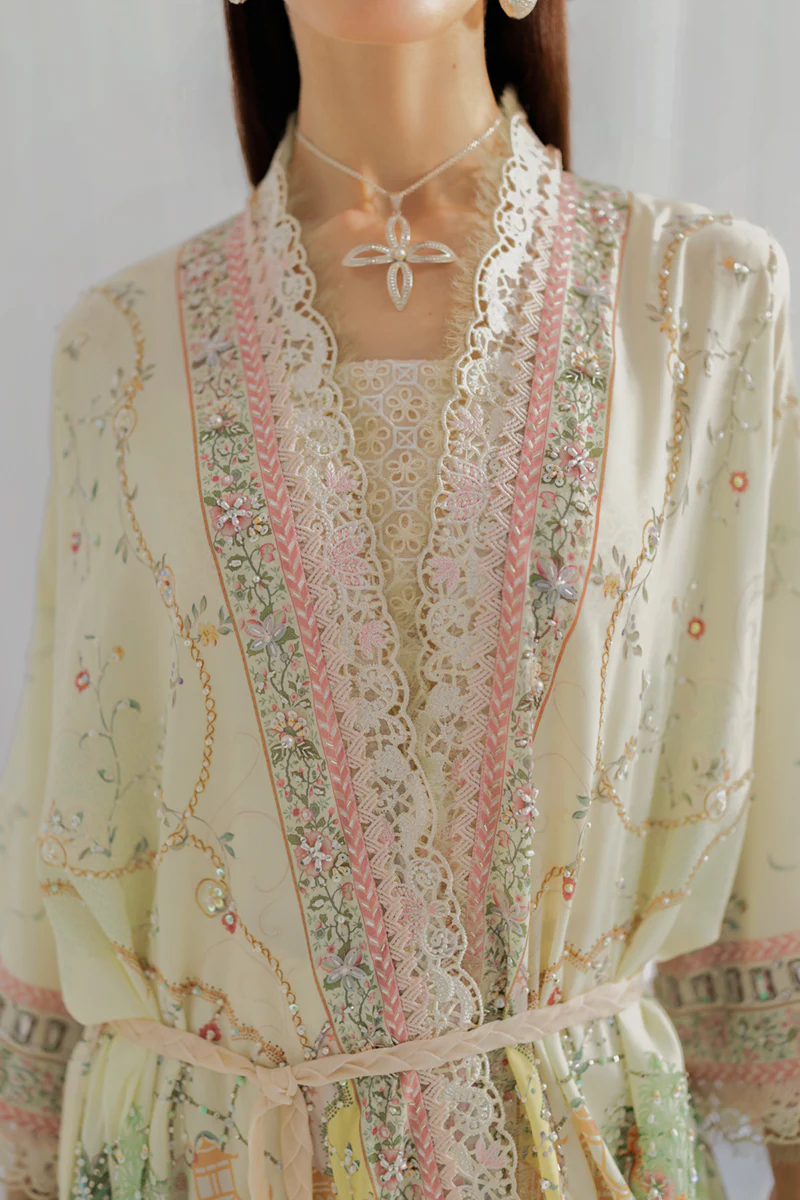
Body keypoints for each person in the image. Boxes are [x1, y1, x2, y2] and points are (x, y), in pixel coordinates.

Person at [1, 1, 798, 1198]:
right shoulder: (117, 348)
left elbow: (774, 754)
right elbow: (57, 808)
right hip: (212, 1157)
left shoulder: (703, 298)